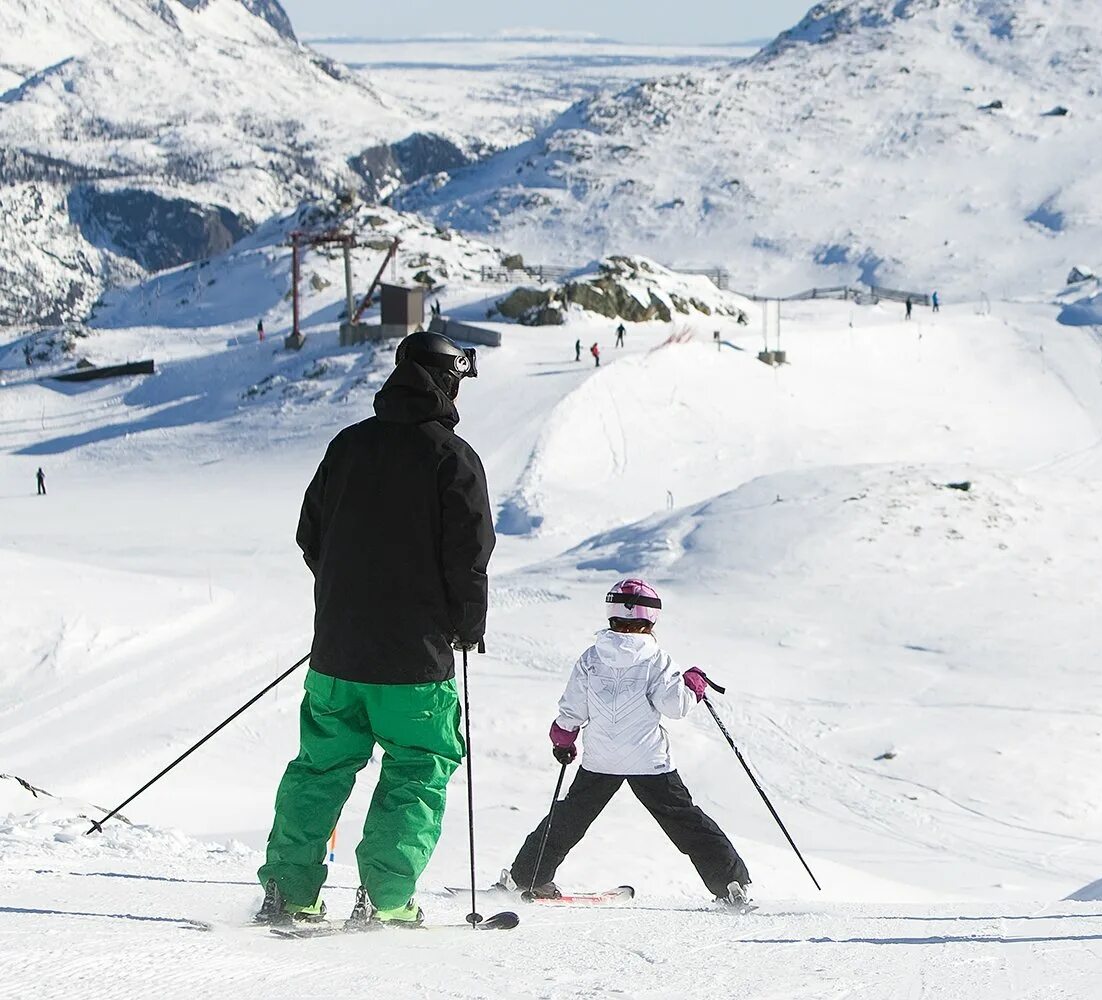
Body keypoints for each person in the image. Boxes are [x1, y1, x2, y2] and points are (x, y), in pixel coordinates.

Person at [256, 331, 494, 929]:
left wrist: (348, 598)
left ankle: (289, 893)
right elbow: (469, 556)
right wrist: (465, 626)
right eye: (458, 379)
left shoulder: (347, 445)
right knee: (417, 768)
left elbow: (310, 535)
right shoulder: (453, 458)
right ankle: (385, 902)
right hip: (414, 662)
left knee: (320, 767)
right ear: (446, 380)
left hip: (337, 654)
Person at [504, 579, 752, 908]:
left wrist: (563, 738)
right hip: (648, 761)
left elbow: (573, 708)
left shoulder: (591, 658)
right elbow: (674, 706)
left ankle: (525, 877)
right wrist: (694, 683)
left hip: (601, 760)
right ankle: (730, 883)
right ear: (651, 618)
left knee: (570, 818)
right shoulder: (656, 660)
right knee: (684, 820)